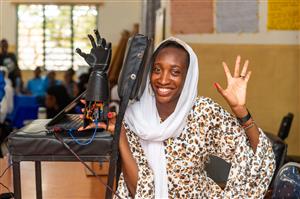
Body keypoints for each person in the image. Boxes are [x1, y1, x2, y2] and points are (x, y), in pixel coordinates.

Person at [84, 37, 275, 198]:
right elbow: (137, 192)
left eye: (175, 72)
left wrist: (240, 110)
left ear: (188, 77)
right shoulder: (135, 117)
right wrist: (121, 135)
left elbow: (258, 155)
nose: (163, 79)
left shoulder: (203, 113)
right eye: (157, 69)